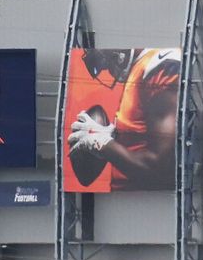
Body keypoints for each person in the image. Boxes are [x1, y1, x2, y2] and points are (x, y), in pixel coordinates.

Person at [66, 48, 181, 189]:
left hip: (149, 201)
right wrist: (114, 138)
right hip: (133, 199)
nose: (108, 71)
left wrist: (102, 144)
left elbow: (161, 167)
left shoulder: (158, 67)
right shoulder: (137, 70)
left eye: (106, 63)